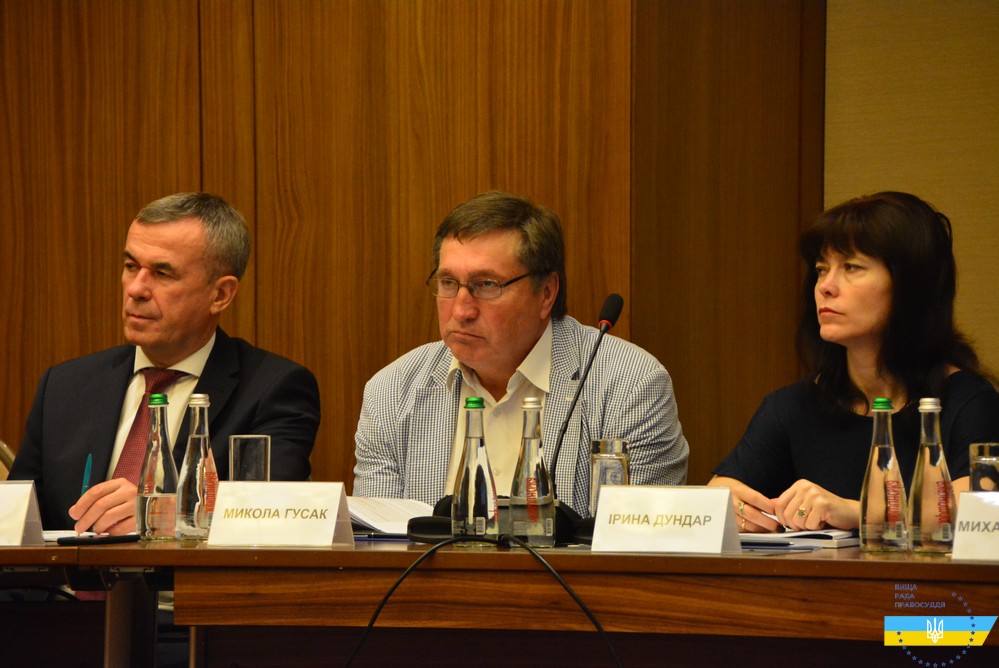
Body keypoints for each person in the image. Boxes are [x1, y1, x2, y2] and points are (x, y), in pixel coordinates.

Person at [353, 191, 688, 516]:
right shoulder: (392, 392)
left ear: (546, 293)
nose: (461, 310)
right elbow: (379, 541)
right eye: (448, 283)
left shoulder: (629, 386)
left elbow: (638, 542)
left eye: (487, 285)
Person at [10, 192, 321, 534]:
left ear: (220, 294)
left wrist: (165, 515)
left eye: (162, 273)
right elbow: (13, 524)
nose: (136, 289)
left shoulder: (273, 390)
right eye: (131, 267)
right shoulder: (65, 386)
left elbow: (271, 516)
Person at [709, 191, 999, 533]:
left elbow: (979, 511)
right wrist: (740, 511)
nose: (825, 287)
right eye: (822, 269)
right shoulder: (793, 406)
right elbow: (720, 494)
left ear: (911, 285)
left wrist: (857, 512)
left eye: (851, 267)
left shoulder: (968, 402)